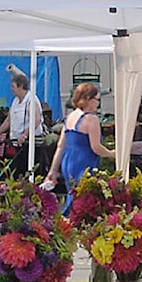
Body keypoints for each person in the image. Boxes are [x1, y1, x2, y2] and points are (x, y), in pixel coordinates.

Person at [44, 83, 115, 212]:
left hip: (68, 162)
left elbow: (60, 146)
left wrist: (53, 170)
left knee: (74, 197)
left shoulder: (70, 116)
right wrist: (112, 154)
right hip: (84, 163)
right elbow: (96, 147)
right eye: (97, 100)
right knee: (84, 202)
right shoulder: (91, 119)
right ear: (88, 98)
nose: (98, 104)